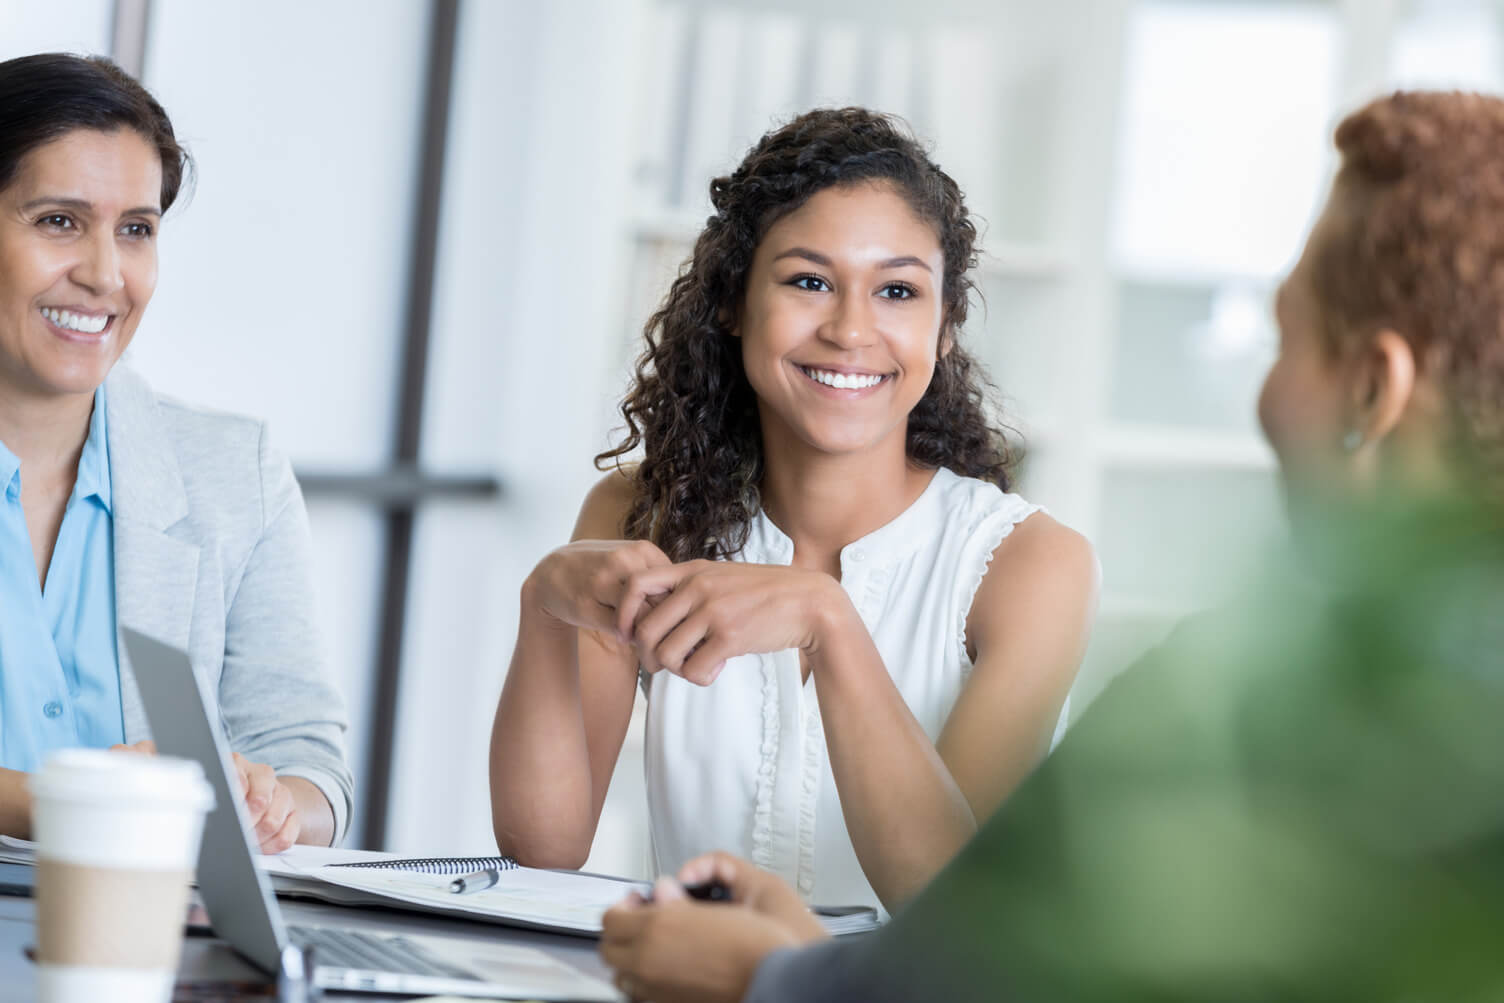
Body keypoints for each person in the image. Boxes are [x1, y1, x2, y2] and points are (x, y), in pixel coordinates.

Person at [597, 91, 1504, 1001]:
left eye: (1285, 335)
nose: (1264, 390)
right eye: (808, 279)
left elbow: (1001, 958)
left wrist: (775, 978)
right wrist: (809, 961)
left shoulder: (1258, 697)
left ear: (1373, 391)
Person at [490, 108, 1098, 913]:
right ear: (733, 303)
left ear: (944, 326)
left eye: (897, 290)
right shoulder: (643, 513)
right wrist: (543, 607)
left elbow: (952, 907)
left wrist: (828, 620)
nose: (851, 329)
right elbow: (545, 848)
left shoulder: (1029, 564)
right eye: (809, 280)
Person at [0, 53, 353, 851]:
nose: (104, 274)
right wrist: (75, 801)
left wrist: (269, 803)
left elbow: (311, 768)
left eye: (136, 230)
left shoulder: (235, 473)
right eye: (59, 221)